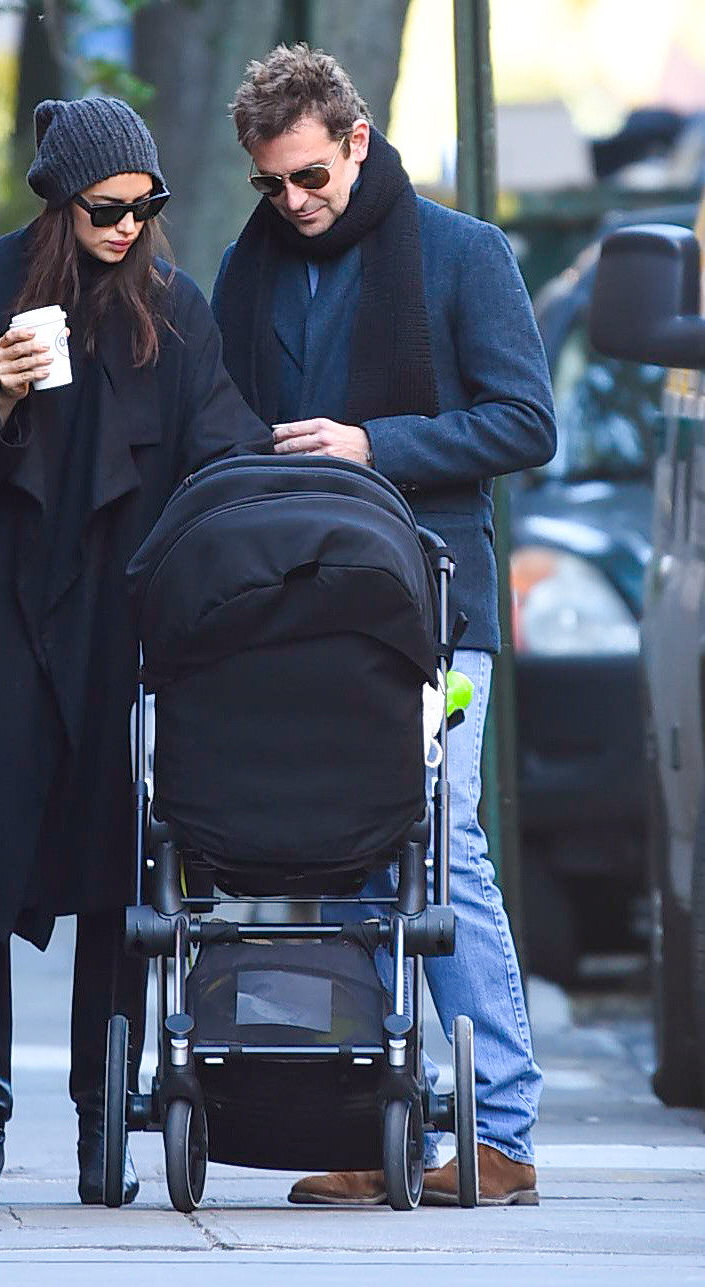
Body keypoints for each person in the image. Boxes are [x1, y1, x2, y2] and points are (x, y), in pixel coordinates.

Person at [0, 96, 270, 1208]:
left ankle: (100, 1124)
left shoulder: (171, 318)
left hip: (114, 627)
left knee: (113, 875)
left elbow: (220, 454)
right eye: (105, 209)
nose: (128, 227)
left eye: (144, 207)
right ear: (57, 201)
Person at [212, 44, 555, 1207]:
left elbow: (524, 420)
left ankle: (500, 1134)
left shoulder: (462, 253)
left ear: (357, 140)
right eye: (272, 186)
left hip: (435, 606)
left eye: (310, 177)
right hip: (302, 610)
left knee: (444, 847)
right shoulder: (247, 270)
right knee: (345, 856)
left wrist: (374, 445)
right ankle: (375, 1124)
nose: (293, 205)